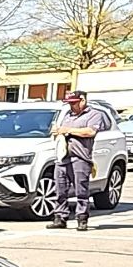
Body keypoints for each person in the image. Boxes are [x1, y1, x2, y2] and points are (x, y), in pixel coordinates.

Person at [50, 90, 107, 230]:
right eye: (69, 104)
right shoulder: (67, 115)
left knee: (81, 190)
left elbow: (90, 132)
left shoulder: (94, 115)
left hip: (80, 157)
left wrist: (68, 130)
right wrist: (57, 132)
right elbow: (60, 130)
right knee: (60, 189)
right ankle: (60, 217)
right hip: (63, 157)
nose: (71, 106)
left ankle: (82, 218)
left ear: (83, 100)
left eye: (74, 103)